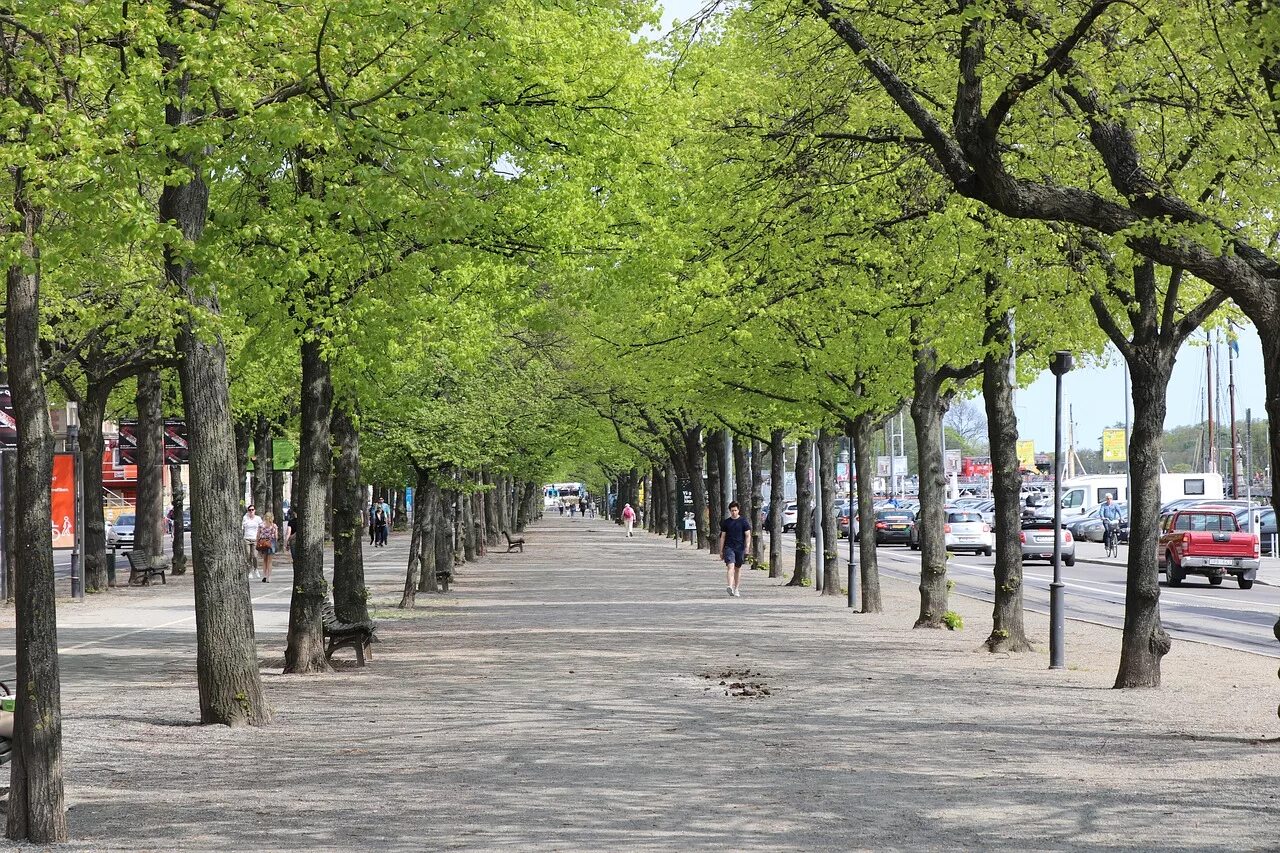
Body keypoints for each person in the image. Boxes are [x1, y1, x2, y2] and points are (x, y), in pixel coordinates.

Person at [719, 500, 753, 597]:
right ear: (730, 511)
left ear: (738, 511)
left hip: (740, 548)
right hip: (729, 547)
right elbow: (723, 537)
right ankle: (729, 586)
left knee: (737, 568)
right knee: (730, 566)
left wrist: (747, 547)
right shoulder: (726, 523)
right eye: (732, 511)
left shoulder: (743, 522)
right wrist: (721, 550)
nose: (734, 512)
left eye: (735, 510)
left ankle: (737, 588)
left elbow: (747, 535)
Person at [241, 505, 263, 578]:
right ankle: (249, 570)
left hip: (255, 539)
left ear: (255, 510)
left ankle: (256, 569)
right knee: (248, 555)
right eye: (249, 510)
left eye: (252, 510)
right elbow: (242, 527)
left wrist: (259, 536)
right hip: (247, 538)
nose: (251, 511)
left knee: (255, 556)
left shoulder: (258, 518)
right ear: (247, 511)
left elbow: (261, 527)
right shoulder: (245, 518)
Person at [257, 512, 279, 582]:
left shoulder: (261, 525)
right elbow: (276, 536)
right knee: (270, 561)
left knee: (264, 560)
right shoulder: (274, 526)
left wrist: (257, 542)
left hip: (263, 543)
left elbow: (258, 535)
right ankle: (269, 577)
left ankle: (264, 576)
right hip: (271, 543)